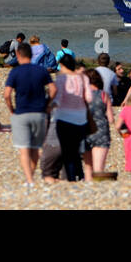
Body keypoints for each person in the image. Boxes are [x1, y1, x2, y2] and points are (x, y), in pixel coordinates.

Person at [4, 41, 56, 185]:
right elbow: (53, 90)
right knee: (35, 148)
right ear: (31, 54)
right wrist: (47, 104)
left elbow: (7, 94)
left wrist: (11, 109)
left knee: (24, 148)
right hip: (39, 112)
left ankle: (29, 179)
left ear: (19, 55)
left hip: (21, 112)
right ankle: (30, 178)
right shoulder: (41, 70)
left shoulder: (15, 72)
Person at [52, 54, 90, 182]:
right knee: (75, 149)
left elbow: (58, 99)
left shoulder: (61, 79)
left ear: (62, 65)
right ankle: (80, 175)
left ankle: (71, 178)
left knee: (67, 151)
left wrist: (48, 107)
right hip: (81, 119)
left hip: (64, 118)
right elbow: (89, 98)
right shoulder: (83, 78)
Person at [84, 67, 114, 177]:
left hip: (85, 132)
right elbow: (110, 119)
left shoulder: (82, 95)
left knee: (88, 168)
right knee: (98, 168)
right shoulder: (103, 95)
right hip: (101, 133)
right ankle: (98, 190)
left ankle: (87, 190)